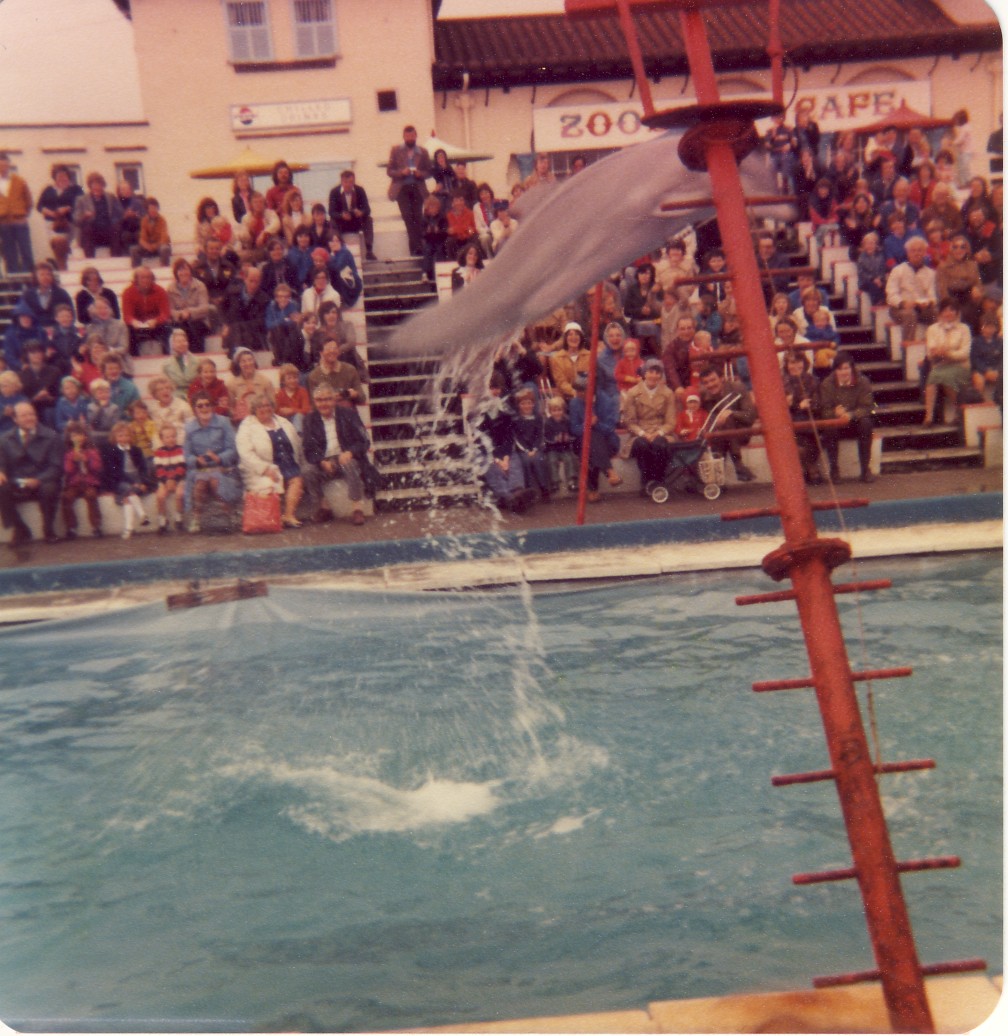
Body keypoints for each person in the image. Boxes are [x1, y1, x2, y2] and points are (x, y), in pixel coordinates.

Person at [301, 381, 379, 525]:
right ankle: (324, 508)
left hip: (345, 458)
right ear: (314, 402)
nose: (323, 404)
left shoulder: (348, 414)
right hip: (325, 461)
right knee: (307, 470)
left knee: (350, 464)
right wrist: (321, 461)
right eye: (319, 400)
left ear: (334, 399)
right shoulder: (310, 419)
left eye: (327, 399)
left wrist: (350, 452)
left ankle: (357, 509)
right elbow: (308, 448)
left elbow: (364, 441)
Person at [468, 372, 535, 512]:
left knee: (514, 461)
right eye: (492, 388)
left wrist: (505, 457)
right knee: (490, 466)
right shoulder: (478, 410)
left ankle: (517, 491)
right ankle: (509, 497)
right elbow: (480, 439)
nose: (495, 391)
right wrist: (497, 460)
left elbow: (508, 435)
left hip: (503, 448)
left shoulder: (505, 409)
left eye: (497, 388)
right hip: (485, 450)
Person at [236, 395, 305, 528]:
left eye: (267, 405)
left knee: (297, 480)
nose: (265, 409)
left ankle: (289, 515)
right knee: (269, 484)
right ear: (254, 409)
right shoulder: (247, 426)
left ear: (273, 407)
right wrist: (264, 468)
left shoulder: (283, 422)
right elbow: (245, 453)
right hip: (263, 466)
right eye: (260, 406)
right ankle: (271, 519)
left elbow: (296, 443)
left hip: (288, 463)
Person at [0, 401, 63, 545]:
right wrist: (1, 471)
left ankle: (49, 530)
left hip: (43, 480)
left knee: (50, 488)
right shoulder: (4, 439)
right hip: (17, 481)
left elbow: (56, 467)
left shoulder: (52, 436)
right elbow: (1, 461)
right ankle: (20, 529)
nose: (29, 418)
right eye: (24, 415)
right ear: (15, 419)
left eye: (32, 414)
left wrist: (38, 480)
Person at [183, 392, 241, 532]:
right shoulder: (189, 428)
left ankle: (229, 515)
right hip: (200, 469)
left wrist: (219, 458)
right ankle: (196, 518)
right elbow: (187, 454)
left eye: (207, 404)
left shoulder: (224, 422)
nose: (204, 408)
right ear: (194, 409)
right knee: (200, 482)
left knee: (216, 480)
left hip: (222, 466)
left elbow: (232, 449)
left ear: (212, 406)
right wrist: (196, 460)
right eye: (200, 405)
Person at [818, 356, 876, 483]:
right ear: (835, 371)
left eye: (846, 368)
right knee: (829, 427)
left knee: (866, 423)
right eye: (840, 369)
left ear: (852, 368)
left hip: (855, 421)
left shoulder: (863, 381)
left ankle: (865, 469)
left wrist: (851, 415)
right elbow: (824, 410)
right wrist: (835, 413)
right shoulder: (827, 384)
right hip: (836, 423)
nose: (844, 372)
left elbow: (867, 406)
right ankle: (834, 470)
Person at [567, 372, 621, 502]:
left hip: (607, 442)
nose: (578, 394)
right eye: (577, 390)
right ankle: (609, 471)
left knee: (592, 441)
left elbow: (609, 429)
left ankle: (593, 489)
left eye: (581, 391)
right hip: (582, 441)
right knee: (590, 441)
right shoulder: (575, 403)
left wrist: (596, 424)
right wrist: (587, 425)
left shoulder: (606, 401)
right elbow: (574, 430)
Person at [697, 365, 757, 481]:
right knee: (718, 422)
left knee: (727, 419)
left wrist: (731, 413)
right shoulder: (704, 395)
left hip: (741, 431)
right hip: (718, 434)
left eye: (713, 380)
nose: (710, 384)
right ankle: (737, 467)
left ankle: (720, 473)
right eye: (706, 382)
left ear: (722, 378)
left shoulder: (737, 388)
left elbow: (750, 416)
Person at [623, 359, 676, 490]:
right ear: (644, 373)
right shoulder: (633, 393)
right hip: (639, 432)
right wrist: (643, 433)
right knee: (642, 444)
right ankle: (646, 481)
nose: (654, 376)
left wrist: (659, 433)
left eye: (657, 372)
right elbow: (629, 422)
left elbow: (671, 422)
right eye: (650, 372)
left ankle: (658, 481)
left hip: (660, 430)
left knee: (660, 444)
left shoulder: (668, 393)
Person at [922, 298, 972, 426]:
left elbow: (964, 353)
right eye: (945, 310)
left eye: (952, 310)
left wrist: (948, 353)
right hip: (940, 364)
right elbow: (931, 351)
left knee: (941, 376)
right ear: (940, 312)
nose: (948, 313)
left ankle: (958, 411)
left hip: (960, 365)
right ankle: (929, 417)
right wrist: (938, 352)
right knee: (934, 376)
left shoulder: (964, 329)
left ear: (957, 312)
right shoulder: (933, 329)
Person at [101, 420, 154, 538]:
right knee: (129, 491)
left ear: (131, 436)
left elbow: (143, 468)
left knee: (127, 498)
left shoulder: (136, 450)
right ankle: (142, 515)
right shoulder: (112, 452)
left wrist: (143, 482)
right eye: (120, 436)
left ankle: (128, 529)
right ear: (115, 437)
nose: (124, 438)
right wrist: (133, 483)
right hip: (120, 481)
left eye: (126, 435)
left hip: (137, 480)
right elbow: (115, 472)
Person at [387, 125, 432, 257]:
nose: (410, 138)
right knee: (407, 217)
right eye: (407, 136)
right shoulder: (395, 150)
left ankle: (415, 249)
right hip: (402, 188)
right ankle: (417, 247)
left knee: (417, 217)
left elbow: (429, 171)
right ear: (403, 137)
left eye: (412, 136)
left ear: (416, 136)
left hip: (417, 187)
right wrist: (401, 172)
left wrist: (420, 174)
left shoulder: (423, 152)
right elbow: (389, 171)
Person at [781, 351, 823, 484]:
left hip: (810, 416)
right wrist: (798, 406)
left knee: (809, 433)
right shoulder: (780, 381)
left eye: (798, 362)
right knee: (799, 435)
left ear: (804, 363)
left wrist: (806, 405)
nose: (795, 366)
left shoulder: (812, 380)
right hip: (790, 419)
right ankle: (811, 469)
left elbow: (817, 402)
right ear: (787, 365)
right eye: (792, 363)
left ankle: (807, 469)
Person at [886, 236, 937, 342]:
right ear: (908, 253)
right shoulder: (898, 270)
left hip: (921, 308)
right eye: (913, 250)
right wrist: (903, 303)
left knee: (937, 313)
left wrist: (929, 303)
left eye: (920, 250)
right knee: (910, 315)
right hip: (900, 308)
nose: (916, 253)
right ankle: (908, 349)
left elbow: (932, 295)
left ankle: (935, 347)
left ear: (925, 253)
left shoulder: (931, 273)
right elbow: (891, 295)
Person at [60, 421, 103, 538]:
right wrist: (73, 461)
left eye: (79, 435)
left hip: (89, 482)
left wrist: (86, 460)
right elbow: (67, 471)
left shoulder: (92, 451)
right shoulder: (69, 454)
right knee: (66, 497)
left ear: (85, 436)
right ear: (70, 439)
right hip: (74, 484)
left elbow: (97, 468)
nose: (77, 438)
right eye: (73, 436)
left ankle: (96, 526)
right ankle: (71, 527)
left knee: (91, 496)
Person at [36, 164, 83, 271]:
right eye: (59, 175)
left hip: (70, 224)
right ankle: (63, 269)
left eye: (64, 175)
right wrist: (49, 212)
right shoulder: (48, 189)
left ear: (68, 176)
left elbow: (82, 203)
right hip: (52, 224)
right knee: (58, 243)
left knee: (64, 244)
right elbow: (39, 206)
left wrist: (68, 208)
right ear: (54, 177)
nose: (62, 177)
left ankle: (66, 267)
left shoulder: (76, 189)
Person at [510, 388, 551, 500]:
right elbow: (517, 438)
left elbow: (540, 435)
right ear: (519, 405)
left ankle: (544, 488)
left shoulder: (538, 417)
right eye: (523, 404)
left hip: (536, 448)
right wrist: (527, 450)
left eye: (529, 403)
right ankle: (529, 490)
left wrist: (535, 449)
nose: (527, 406)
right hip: (523, 449)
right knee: (525, 462)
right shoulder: (516, 419)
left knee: (539, 460)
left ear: (533, 404)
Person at [221, 264, 270, 356]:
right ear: (244, 279)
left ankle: (237, 357)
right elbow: (223, 309)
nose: (254, 285)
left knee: (238, 329)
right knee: (235, 329)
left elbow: (261, 322)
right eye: (251, 281)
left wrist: (240, 326)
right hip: (232, 332)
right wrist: (225, 324)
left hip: (253, 334)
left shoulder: (264, 299)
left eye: (257, 282)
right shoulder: (231, 292)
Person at [73, 171, 124, 258]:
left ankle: (115, 258)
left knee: (116, 228)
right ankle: (90, 260)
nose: (96, 187)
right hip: (92, 233)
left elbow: (119, 213)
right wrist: (84, 216)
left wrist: (114, 221)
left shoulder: (110, 197)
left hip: (108, 231)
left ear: (103, 185)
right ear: (90, 186)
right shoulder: (82, 199)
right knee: (87, 228)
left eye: (99, 184)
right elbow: (76, 220)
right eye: (94, 185)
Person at [122, 266, 171, 356]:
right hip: (137, 326)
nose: (146, 280)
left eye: (148, 277)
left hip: (155, 325)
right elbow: (127, 315)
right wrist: (133, 322)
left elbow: (165, 313)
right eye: (142, 277)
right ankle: (134, 358)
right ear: (136, 279)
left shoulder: (160, 291)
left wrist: (156, 321)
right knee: (127, 330)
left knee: (167, 327)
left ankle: (167, 356)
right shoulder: (128, 292)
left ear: (152, 279)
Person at [328, 169, 376, 260]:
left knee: (369, 219)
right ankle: (337, 250)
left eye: (351, 182)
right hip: (342, 223)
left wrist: (361, 212)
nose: (349, 185)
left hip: (356, 222)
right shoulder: (334, 192)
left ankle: (369, 251)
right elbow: (331, 212)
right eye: (346, 182)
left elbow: (367, 209)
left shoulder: (360, 190)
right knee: (332, 222)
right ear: (342, 181)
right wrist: (341, 215)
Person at [193, 237, 239, 329]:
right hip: (206, 299)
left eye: (217, 249)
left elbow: (234, 284)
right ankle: (218, 328)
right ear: (206, 250)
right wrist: (210, 299)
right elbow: (196, 287)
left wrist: (224, 297)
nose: (214, 251)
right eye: (211, 249)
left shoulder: (228, 266)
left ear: (220, 250)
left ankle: (229, 328)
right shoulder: (198, 268)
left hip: (226, 299)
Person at [0, 152, 34, 274]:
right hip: (3, 224)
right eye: (0, 165)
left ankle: (29, 280)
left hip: (20, 222)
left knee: (26, 252)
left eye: (5, 165)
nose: (3, 168)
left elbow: (29, 201)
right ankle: (14, 285)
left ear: (9, 165)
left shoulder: (19, 181)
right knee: (10, 254)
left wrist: (23, 215)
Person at [168, 260, 212, 354]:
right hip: (180, 321)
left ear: (190, 271)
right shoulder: (171, 289)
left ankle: (198, 355)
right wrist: (180, 314)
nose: (183, 273)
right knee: (179, 329)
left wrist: (190, 312)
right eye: (180, 270)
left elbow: (204, 308)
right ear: (176, 273)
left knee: (193, 327)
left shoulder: (200, 286)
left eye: (186, 270)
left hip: (199, 321)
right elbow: (170, 310)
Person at [152, 421, 186, 533]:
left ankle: (179, 518)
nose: (170, 439)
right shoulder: (158, 452)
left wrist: (174, 480)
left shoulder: (180, 450)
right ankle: (162, 520)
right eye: (167, 437)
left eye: (173, 436)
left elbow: (181, 466)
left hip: (179, 479)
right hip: (164, 480)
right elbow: (159, 469)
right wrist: (166, 481)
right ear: (162, 439)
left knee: (180, 494)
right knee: (160, 496)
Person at [227, 347, 275, 426]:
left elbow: (273, 404)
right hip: (242, 422)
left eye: (250, 360)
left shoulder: (265, 381)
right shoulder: (231, 384)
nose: (248, 363)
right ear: (238, 364)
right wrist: (236, 413)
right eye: (243, 361)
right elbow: (230, 407)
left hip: (263, 420)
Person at [84, 295, 132, 373]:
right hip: (97, 365)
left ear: (110, 309)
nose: (103, 311)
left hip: (119, 362)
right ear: (94, 310)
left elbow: (124, 348)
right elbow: (90, 349)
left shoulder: (120, 325)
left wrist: (107, 351)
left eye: (105, 308)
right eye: (99, 308)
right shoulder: (90, 328)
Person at [307, 339, 364, 403]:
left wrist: (353, 394)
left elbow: (362, 399)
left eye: (335, 348)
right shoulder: (314, 375)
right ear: (321, 353)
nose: (332, 351)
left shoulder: (350, 369)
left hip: (347, 411)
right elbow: (313, 404)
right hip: (325, 411)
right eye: (328, 349)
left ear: (338, 351)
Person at [20, 261, 74, 329]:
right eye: (42, 274)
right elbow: (22, 314)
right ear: (36, 277)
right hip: (36, 332)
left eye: (48, 274)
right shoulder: (28, 295)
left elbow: (71, 313)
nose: (45, 277)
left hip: (58, 333)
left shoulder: (61, 294)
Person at [543, 395, 576, 493]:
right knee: (552, 460)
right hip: (552, 448)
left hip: (564, 447)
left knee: (569, 459)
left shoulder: (567, 421)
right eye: (554, 410)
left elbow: (572, 435)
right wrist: (554, 440)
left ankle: (571, 481)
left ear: (563, 410)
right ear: (550, 411)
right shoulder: (548, 423)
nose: (557, 413)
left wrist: (568, 438)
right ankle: (555, 482)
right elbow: (546, 438)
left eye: (559, 410)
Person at [146, 374, 194, 441]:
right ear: (154, 394)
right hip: (160, 443)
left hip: (180, 441)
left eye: (167, 388)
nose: (165, 391)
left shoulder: (183, 405)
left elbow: (192, 426)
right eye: (160, 389)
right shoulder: (152, 409)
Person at [237, 192, 280, 262]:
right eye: (255, 202)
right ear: (251, 205)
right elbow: (242, 237)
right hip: (253, 250)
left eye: (260, 202)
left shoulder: (270, 213)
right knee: (238, 256)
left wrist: (265, 233)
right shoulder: (246, 218)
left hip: (269, 248)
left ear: (264, 203)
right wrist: (250, 230)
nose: (258, 204)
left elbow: (276, 224)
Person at [130, 196, 171, 267]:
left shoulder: (162, 220)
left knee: (165, 248)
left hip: (159, 246)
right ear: (147, 210)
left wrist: (154, 246)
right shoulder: (144, 220)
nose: (153, 210)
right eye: (151, 208)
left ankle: (164, 269)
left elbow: (164, 238)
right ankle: (137, 271)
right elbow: (142, 238)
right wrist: (147, 246)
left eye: (155, 208)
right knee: (134, 249)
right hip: (148, 247)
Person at [326, 230, 363, 308]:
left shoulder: (344, 252)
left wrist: (332, 255)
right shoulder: (332, 254)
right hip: (342, 282)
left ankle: (342, 299)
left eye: (336, 241)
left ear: (340, 242)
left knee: (337, 274)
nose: (334, 243)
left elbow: (337, 267)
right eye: (331, 241)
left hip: (351, 283)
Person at [162, 327, 201, 398]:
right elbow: (166, 385)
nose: (182, 344)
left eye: (184, 341)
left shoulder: (198, 361)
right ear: (172, 344)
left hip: (195, 394)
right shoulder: (166, 365)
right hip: (175, 396)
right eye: (178, 342)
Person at [970, 313, 1002, 396]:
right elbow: (975, 360)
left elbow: (1002, 359)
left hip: (996, 370)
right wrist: (986, 371)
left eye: (991, 327)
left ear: (996, 328)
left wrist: (997, 371)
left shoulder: (1000, 342)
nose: (988, 330)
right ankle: (979, 403)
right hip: (980, 370)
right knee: (979, 381)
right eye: (986, 327)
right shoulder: (976, 342)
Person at [275, 363, 311, 433]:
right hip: (285, 421)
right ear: (283, 381)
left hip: (300, 422)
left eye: (295, 377)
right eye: (289, 378)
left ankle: (297, 435)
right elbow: (276, 411)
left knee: (298, 416)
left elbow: (306, 409)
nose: (293, 380)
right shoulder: (279, 394)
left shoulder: (303, 391)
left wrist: (292, 410)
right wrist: (282, 412)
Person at [420, 194, 448, 282]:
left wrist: (439, 231)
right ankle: (425, 273)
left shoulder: (442, 218)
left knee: (440, 250)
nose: (433, 209)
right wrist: (427, 232)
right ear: (427, 209)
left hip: (439, 240)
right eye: (431, 207)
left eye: (435, 207)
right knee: (427, 251)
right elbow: (421, 233)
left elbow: (446, 231)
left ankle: (440, 272)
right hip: (429, 241)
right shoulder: (424, 219)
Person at [472, 183, 496, 259]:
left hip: (498, 229)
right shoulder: (477, 207)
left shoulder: (497, 203)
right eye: (482, 194)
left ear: (490, 193)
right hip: (486, 232)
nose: (484, 196)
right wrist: (489, 231)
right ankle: (490, 258)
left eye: (486, 193)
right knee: (485, 238)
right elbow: (478, 227)